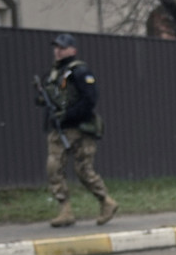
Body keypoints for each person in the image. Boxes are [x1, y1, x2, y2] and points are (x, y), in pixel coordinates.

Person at [36, 33, 117, 227]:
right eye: (56, 47)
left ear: (73, 50)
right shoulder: (53, 74)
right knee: (54, 168)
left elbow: (90, 99)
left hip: (81, 127)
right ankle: (65, 210)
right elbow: (48, 100)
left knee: (84, 170)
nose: (58, 51)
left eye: (62, 48)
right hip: (59, 130)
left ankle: (106, 201)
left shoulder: (80, 71)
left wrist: (68, 115)